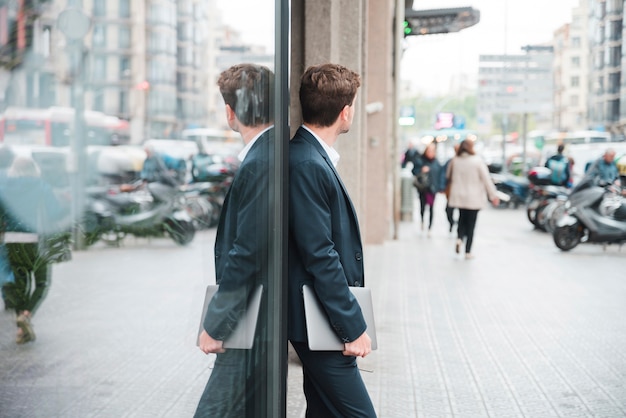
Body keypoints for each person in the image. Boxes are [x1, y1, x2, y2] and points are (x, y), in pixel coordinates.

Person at [288, 63, 377, 418]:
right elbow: (320, 254)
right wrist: (353, 327)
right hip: (318, 319)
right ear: (345, 112)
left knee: (324, 412)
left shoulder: (311, 157)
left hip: (317, 317)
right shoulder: (307, 162)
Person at [194, 63, 274, 418]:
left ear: (230, 113)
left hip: (251, 318)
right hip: (259, 315)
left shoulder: (260, 161)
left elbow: (248, 252)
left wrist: (215, 323)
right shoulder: (270, 153)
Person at [0, 156, 69, 343]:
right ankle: (27, 315)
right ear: (34, 169)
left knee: (19, 285)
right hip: (37, 241)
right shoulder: (41, 187)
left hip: (13, 242)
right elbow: (55, 213)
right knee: (42, 282)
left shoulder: (4, 190)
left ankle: (21, 330)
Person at [446, 139, 499, 259]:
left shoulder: (455, 160)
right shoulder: (477, 161)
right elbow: (486, 179)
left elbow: (448, 175)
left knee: (461, 219)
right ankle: (468, 251)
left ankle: (459, 238)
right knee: (471, 224)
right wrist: (493, 196)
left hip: (459, 196)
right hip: (473, 197)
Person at [412, 142, 444, 235]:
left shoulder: (436, 162)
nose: (431, 153)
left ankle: (430, 227)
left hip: (432, 189)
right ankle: (422, 221)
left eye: (432, 151)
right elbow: (414, 171)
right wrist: (421, 170)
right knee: (422, 207)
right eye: (429, 150)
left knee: (431, 208)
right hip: (423, 188)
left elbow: (440, 175)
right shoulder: (420, 160)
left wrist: (440, 187)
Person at [442, 143, 460, 233]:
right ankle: (452, 223)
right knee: (449, 210)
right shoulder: (451, 161)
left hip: (461, 191)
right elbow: (446, 175)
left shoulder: (466, 161)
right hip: (452, 190)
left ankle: (460, 231)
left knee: (461, 211)